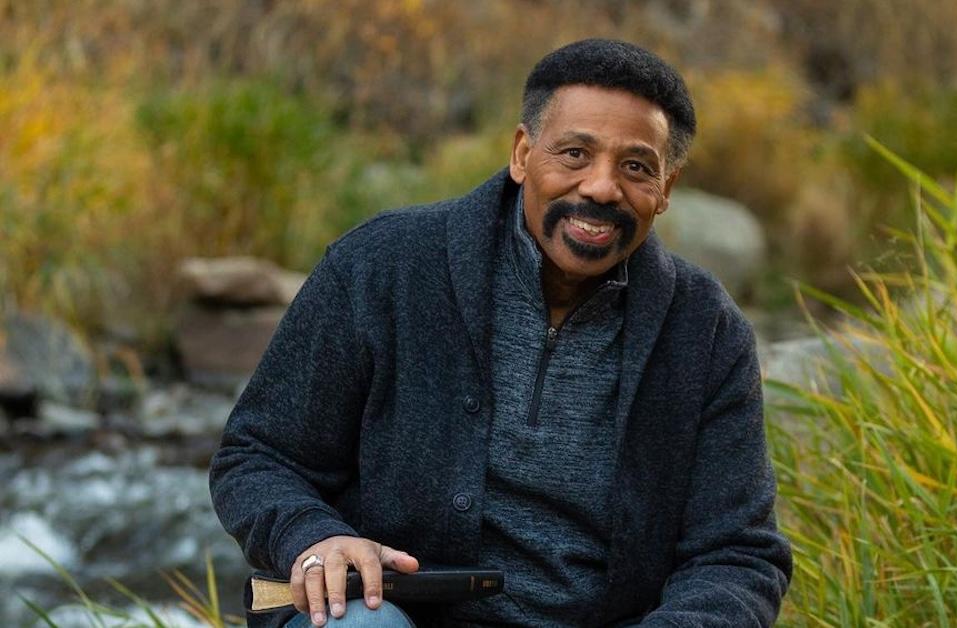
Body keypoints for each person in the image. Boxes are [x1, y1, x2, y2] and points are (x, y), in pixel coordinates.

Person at [209, 38, 791, 628]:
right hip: (386, 615)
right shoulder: (382, 266)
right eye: (574, 154)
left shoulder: (707, 331)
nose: (601, 187)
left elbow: (737, 555)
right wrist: (316, 537)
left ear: (666, 188)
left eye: (636, 167)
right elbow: (258, 455)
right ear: (521, 153)